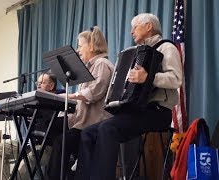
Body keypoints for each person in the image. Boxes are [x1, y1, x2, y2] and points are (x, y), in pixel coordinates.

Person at [74, 13, 183, 180]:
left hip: (158, 111)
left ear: (149, 26)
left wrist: (149, 78)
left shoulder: (166, 47)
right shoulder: (136, 53)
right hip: (138, 110)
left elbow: (176, 79)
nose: (131, 31)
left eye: (135, 27)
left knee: (107, 128)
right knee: (88, 132)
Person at [47, 26, 114, 180]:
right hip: (83, 123)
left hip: (94, 124)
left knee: (61, 142)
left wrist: (71, 95)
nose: (78, 50)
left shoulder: (102, 64)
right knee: (53, 132)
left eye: (80, 45)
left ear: (91, 45)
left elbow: (94, 92)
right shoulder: (91, 67)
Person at [0, 72, 63, 180]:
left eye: (43, 82)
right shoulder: (33, 102)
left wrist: (40, 118)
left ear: (52, 86)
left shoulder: (59, 101)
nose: (38, 85)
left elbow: (58, 127)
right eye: (37, 83)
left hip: (48, 148)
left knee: (32, 156)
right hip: (29, 143)